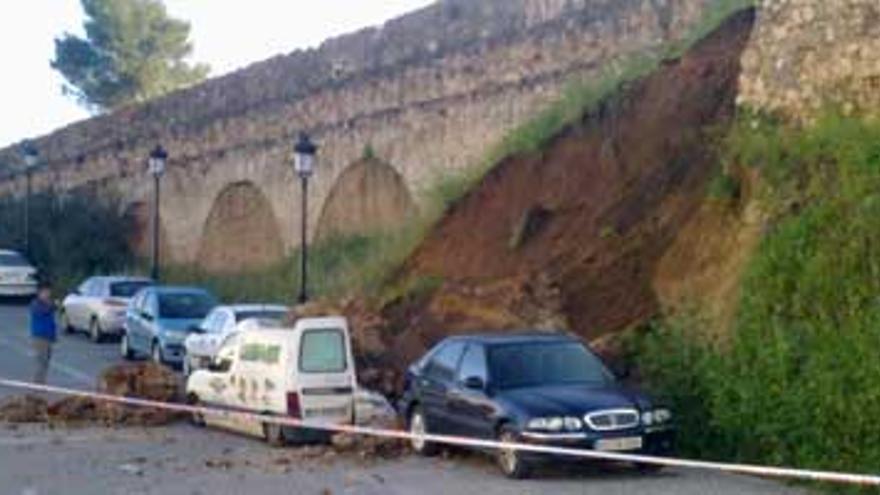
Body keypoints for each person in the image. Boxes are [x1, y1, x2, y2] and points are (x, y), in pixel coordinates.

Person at [29, 282, 57, 384]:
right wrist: (52, 306)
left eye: (48, 292)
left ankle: (42, 381)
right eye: (45, 292)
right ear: (39, 293)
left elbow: (51, 320)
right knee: (41, 361)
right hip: (39, 336)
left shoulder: (48, 303)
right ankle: (37, 383)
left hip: (48, 336)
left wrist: (53, 337)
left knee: (46, 362)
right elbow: (43, 312)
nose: (47, 294)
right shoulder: (36, 304)